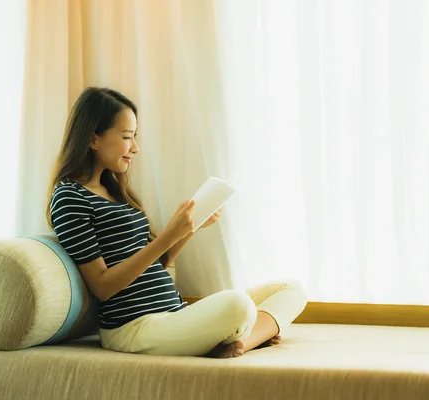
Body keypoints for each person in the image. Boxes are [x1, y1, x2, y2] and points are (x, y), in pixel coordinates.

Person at [46, 87, 307, 358]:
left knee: (291, 290)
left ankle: (240, 342)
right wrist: (169, 235)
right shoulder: (69, 198)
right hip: (133, 327)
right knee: (238, 305)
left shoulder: (116, 191)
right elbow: (102, 286)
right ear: (93, 139)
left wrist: (189, 228)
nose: (135, 147)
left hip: (171, 314)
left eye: (135, 136)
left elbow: (158, 263)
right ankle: (242, 336)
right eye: (127, 137)